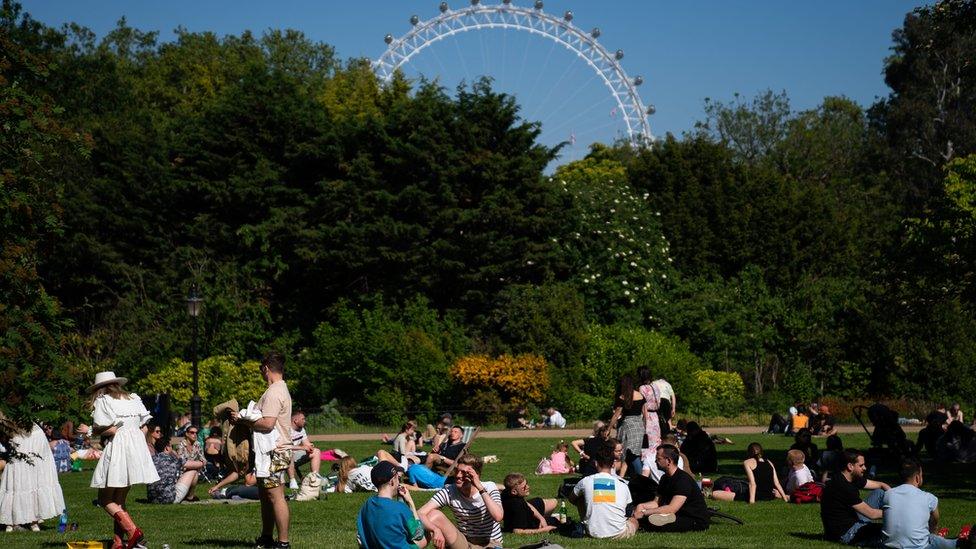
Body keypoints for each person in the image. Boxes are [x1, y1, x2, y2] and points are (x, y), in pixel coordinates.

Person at [88, 371, 159, 549]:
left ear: (102, 388)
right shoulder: (134, 399)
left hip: (119, 448)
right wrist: (136, 442)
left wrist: (92, 431)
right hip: (136, 448)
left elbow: (108, 430)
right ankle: (118, 543)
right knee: (119, 501)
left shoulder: (104, 401)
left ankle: (133, 530)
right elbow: (143, 427)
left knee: (105, 499)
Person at [232, 351, 293, 549]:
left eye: (261, 369)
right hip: (271, 452)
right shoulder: (278, 389)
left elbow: (267, 424)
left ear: (266, 368)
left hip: (275, 452)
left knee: (276, 497)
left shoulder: (275, 392)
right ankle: (267, 537)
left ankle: (283, 542)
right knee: (266, 497)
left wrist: (243, 421)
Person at [419, 454, 504, 549]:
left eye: (464, 473)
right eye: (457, 471)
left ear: (476, 475)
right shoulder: (449, 491)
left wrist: (480, 488)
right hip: (464, 541)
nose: (458, 475)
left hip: (490, 543)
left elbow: (498, 516)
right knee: (433, 515)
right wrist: (435, 530)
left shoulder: (489, 487)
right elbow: (420, 513)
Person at [882, 459, 971, 549]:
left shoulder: (888, 494)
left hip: (889, 546)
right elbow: (935, 521)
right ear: (917, 478)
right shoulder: (928, 498)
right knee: (933, 538)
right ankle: (961, 542)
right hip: (920, 547)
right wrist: (933, 532)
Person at [0, 422, 66, 532]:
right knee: (17, 473)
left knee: (32, 474)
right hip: (18, 432)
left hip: (31, 434)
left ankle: (31, 520)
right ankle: (13, 521)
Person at [632, 444, 710, 533]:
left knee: (651, 524)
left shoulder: (683, 480)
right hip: (677, 514)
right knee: (646, 520)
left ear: (668, 461)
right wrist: (641, 506)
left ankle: (655, 521)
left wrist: (644, 513)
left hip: (693, 519)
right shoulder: (664, 478)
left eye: (658, 459)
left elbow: (672, 508)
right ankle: (658, 519)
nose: (655, 461)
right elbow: (657, 502)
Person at [820, 449, 891, 546]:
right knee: (889, 532)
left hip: (852, 519)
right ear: (850, 466)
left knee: (879, 492)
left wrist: (894, 495)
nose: (865, 468)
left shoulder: (850, 477)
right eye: (861, 465)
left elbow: (880, 485)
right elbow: (872, 514)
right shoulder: (843, 486)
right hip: (845, 533)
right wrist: (897, 513)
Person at [568, 441, 636, 539]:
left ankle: (588, 521)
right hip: (618, 533)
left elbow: (571, 498)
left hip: (592, 532)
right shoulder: (623, 485)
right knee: (634, 521)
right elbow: (628, 511)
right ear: (613, 464)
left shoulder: (586, 481)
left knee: (579, 497)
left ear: (596, 463)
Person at [357, 462, 427, 549]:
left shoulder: (367, 504)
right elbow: (418, 534)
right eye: (398, 478)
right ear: (392, 481)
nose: (399, 481)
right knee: (428, 530)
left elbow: (361, 535)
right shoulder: (400, 509)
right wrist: (410, 502)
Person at [710, 442, 788, 503]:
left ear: (749, 453)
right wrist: (784, 498)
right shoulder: (769, 462)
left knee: (715, 494)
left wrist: (752, 501)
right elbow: (777, 483)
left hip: (757, 495)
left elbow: (752, 483)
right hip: (769, 495)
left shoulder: (747, 462)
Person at [146, 438, 204, 504]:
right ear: (166, 448)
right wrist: (203, 462)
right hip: (168, 499)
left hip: (152, 499)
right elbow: (196, 465)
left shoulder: (152, 460)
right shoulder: (173, 459)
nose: (172, 449)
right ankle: (190, 497)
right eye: (171, 446)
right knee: (193, 471)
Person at [609, 373, 645, 474]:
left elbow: (616, 415)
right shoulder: (640, 396)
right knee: (635, 453)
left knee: (629, 454)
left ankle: (641, 476)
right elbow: (644, 413)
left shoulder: (623, 397)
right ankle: (632, 474)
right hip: (639, 426)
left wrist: (609, 428)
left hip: (627, 427)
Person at [636, 366, 663, 477]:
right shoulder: (655, 386)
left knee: (646, 444)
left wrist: (644, 422)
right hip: (655, 416)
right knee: (655, 444)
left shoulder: (642, 388)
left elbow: (643, 406)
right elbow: (659, 402)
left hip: (647, 417)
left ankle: (646, 469)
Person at [287, 410, 321, 490]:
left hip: (295, 455)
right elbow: (285, 447)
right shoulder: (286, 429)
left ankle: (315, 479)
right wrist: (302, 448)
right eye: (303, 419)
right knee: (289, 453)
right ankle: (292, 481)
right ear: (295, 420)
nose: (305, 421)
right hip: (285, 455)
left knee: (316, 451)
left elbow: (306, 443)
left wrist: (309, 447)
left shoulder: (301, 429)